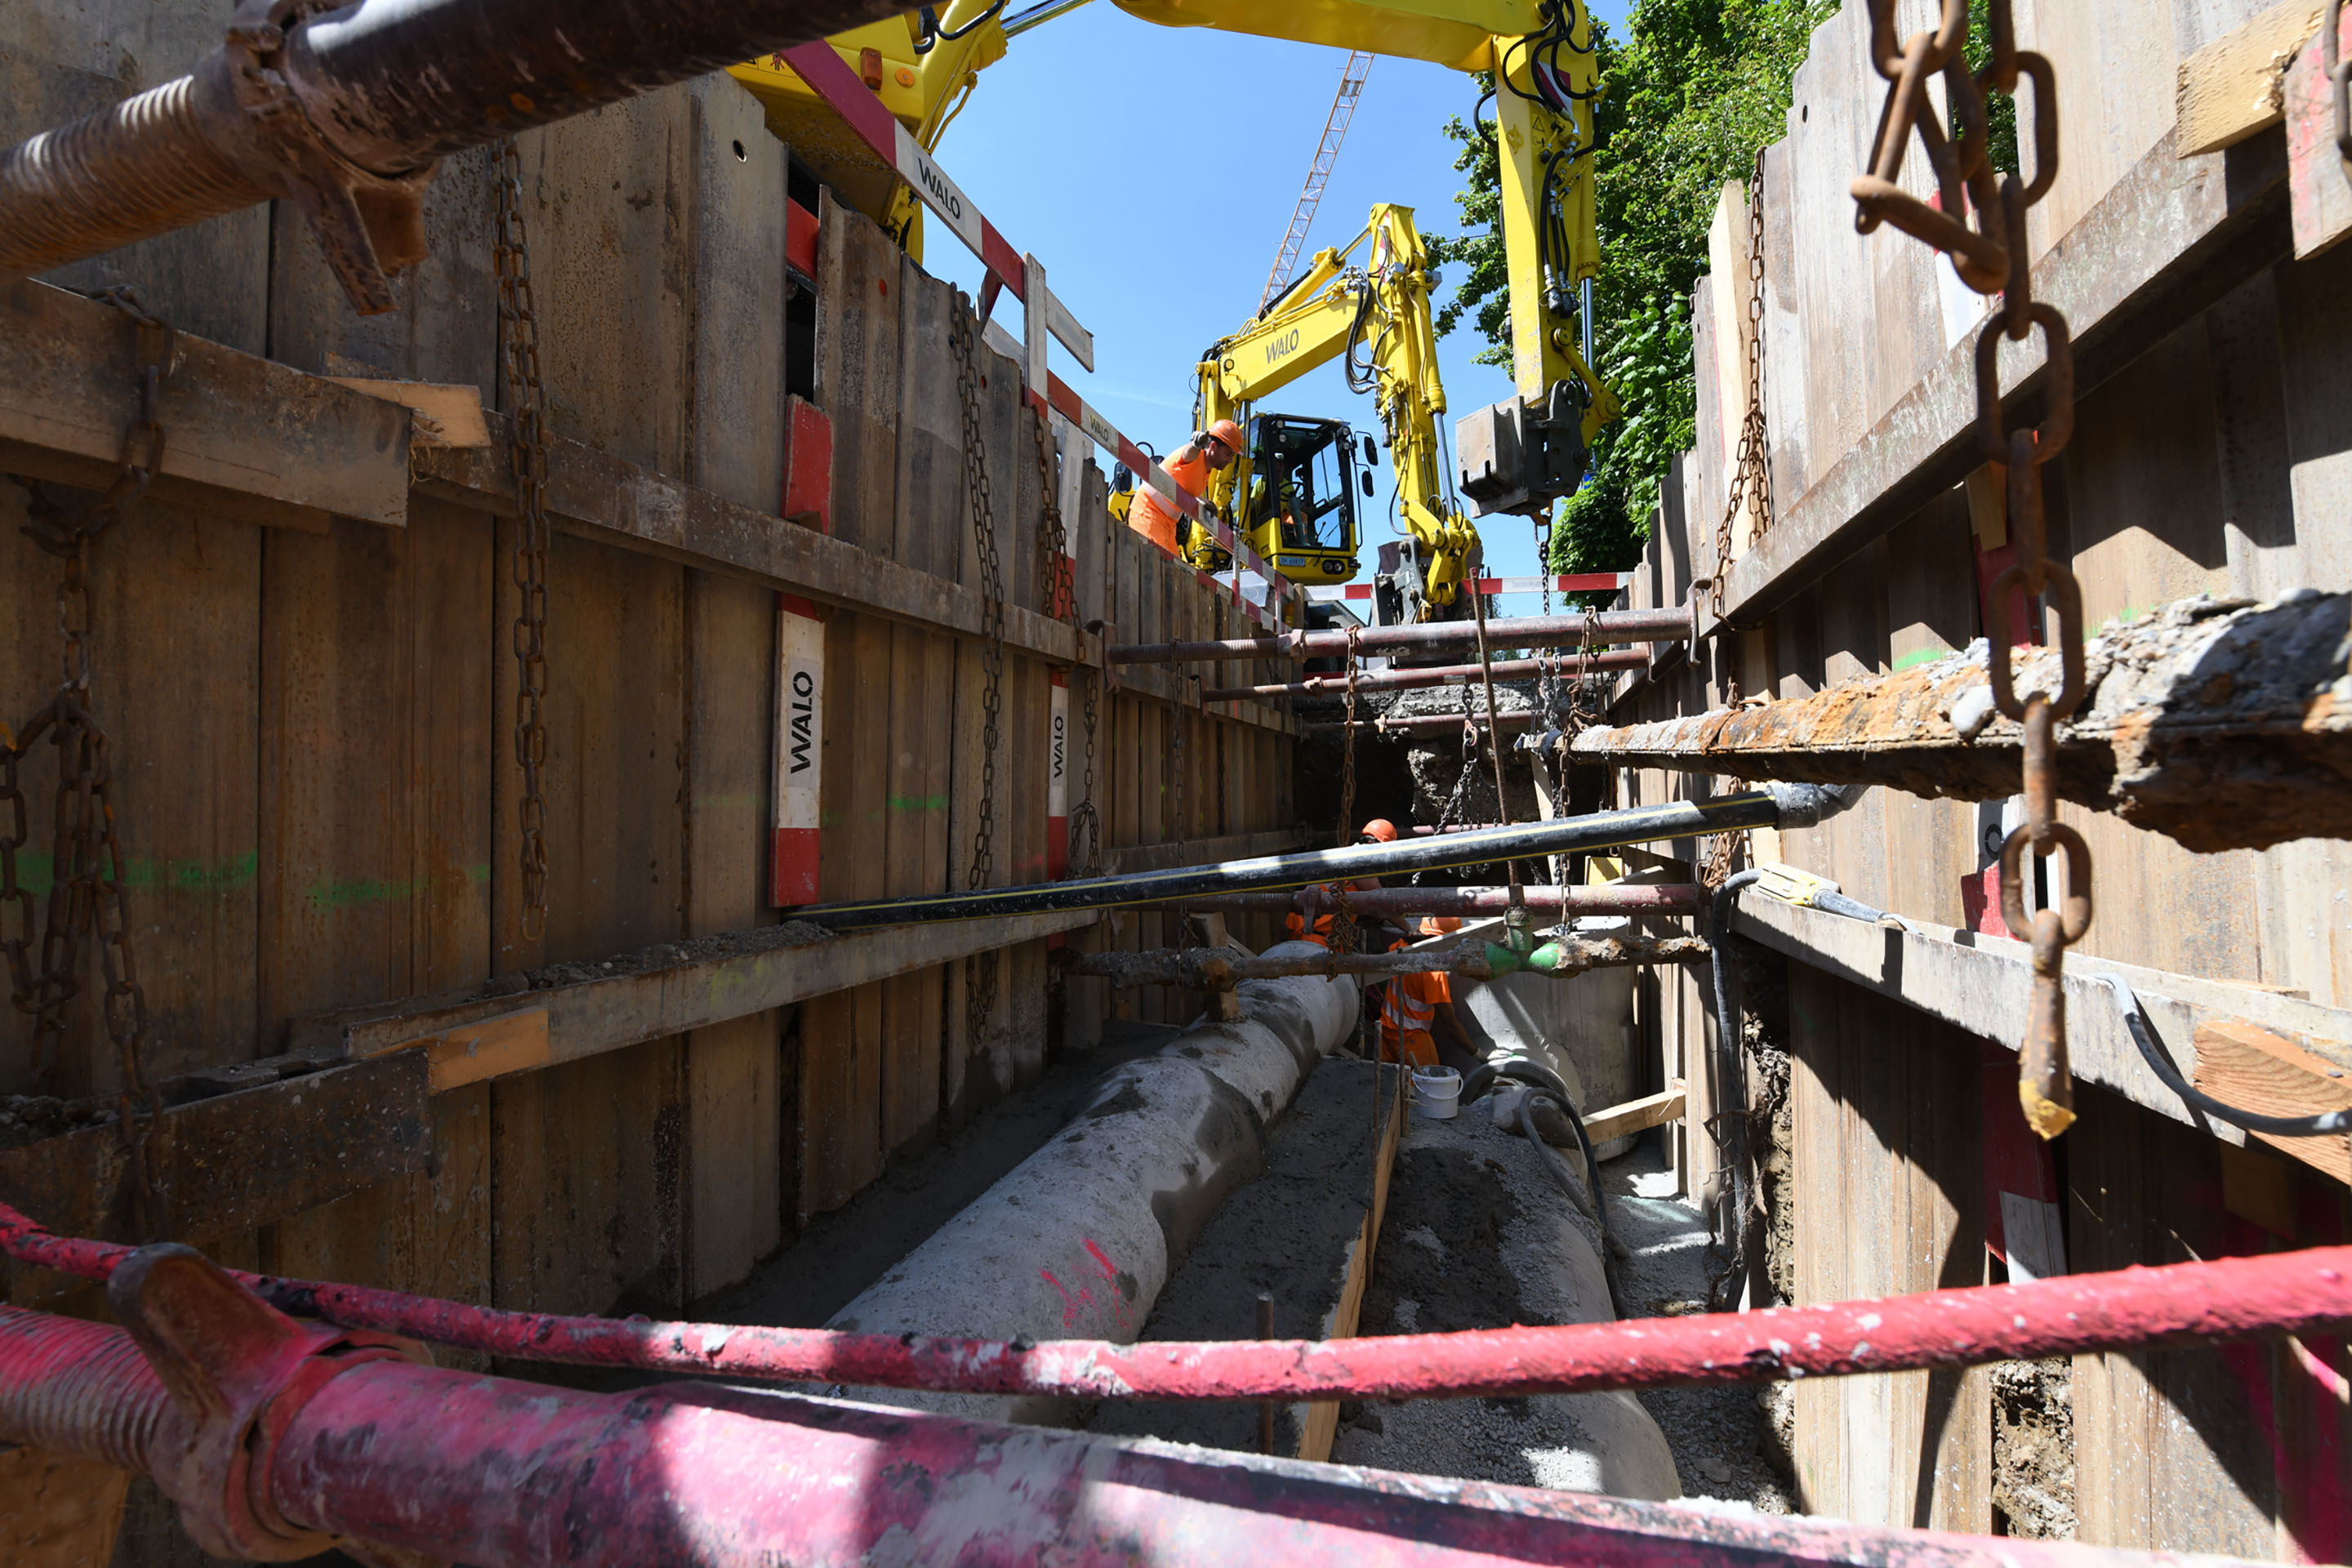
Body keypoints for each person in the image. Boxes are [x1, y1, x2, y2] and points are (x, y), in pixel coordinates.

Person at [1375, 916, 1482, 1075]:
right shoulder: (1433, 973)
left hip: (1386, 1032)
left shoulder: (1401, 947)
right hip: (1413, 1041)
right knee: (1426, 1090)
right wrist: (1478, 1053)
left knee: (1390, 1087)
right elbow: (1450, 1024)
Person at [1128, 418, 1243, 556]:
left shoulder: (1207, 470)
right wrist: (1195, 445)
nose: (1230, 460)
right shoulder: (1196, 456)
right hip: (1148, 514)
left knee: (1175, 572)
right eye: (1228, 453)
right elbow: (1187, 454)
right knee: (1157, 568)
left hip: (1168, 525)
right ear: (1212, 447)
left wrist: (1203, 503)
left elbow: (1185, 489)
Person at [1286, 818, 1397, 947]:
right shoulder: (1361, 860)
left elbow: (1379, 912)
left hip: (1315, 934)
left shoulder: (1349, 854)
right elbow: (1382, 902)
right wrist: (1409, 929)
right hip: (1314, 937)